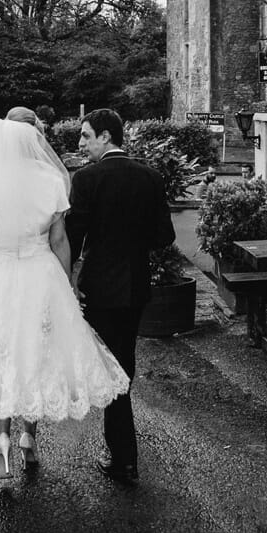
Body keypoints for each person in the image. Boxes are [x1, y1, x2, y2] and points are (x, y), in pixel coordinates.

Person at [0, 119, 130, 478]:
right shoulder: (51, 180)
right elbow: (59, 240)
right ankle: (28, 437)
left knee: (3, 349)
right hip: (41, 271)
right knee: (36, 350)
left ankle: (2, 439)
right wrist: (68, 282)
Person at [66, 108, 175, 484]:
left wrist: (67, 276)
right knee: (122, 365)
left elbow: (74, 236)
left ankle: (124, 458)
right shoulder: (150, 176)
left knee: (112, 372)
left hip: (100, 288)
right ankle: (122, 453)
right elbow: (164, 236)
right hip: (137, 287)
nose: (81, 143)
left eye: (86, 135)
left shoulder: (86, 179)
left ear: (106, 136)